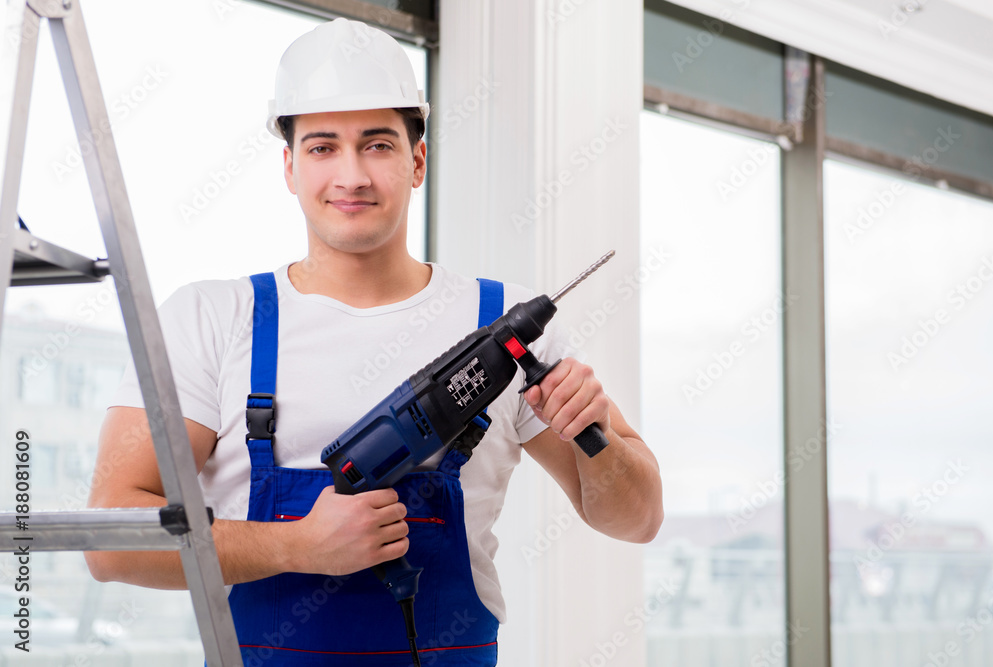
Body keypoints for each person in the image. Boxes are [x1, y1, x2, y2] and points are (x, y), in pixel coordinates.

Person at [85, 17, 663, 666]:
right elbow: (109, 540)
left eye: (379, 145)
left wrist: (598, 436)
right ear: (290, 166)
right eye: (324, 146)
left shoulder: (504, 327)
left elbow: (635, 519)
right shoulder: (209, 319)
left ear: (418, 161)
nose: (352, 175)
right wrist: (295, 546)